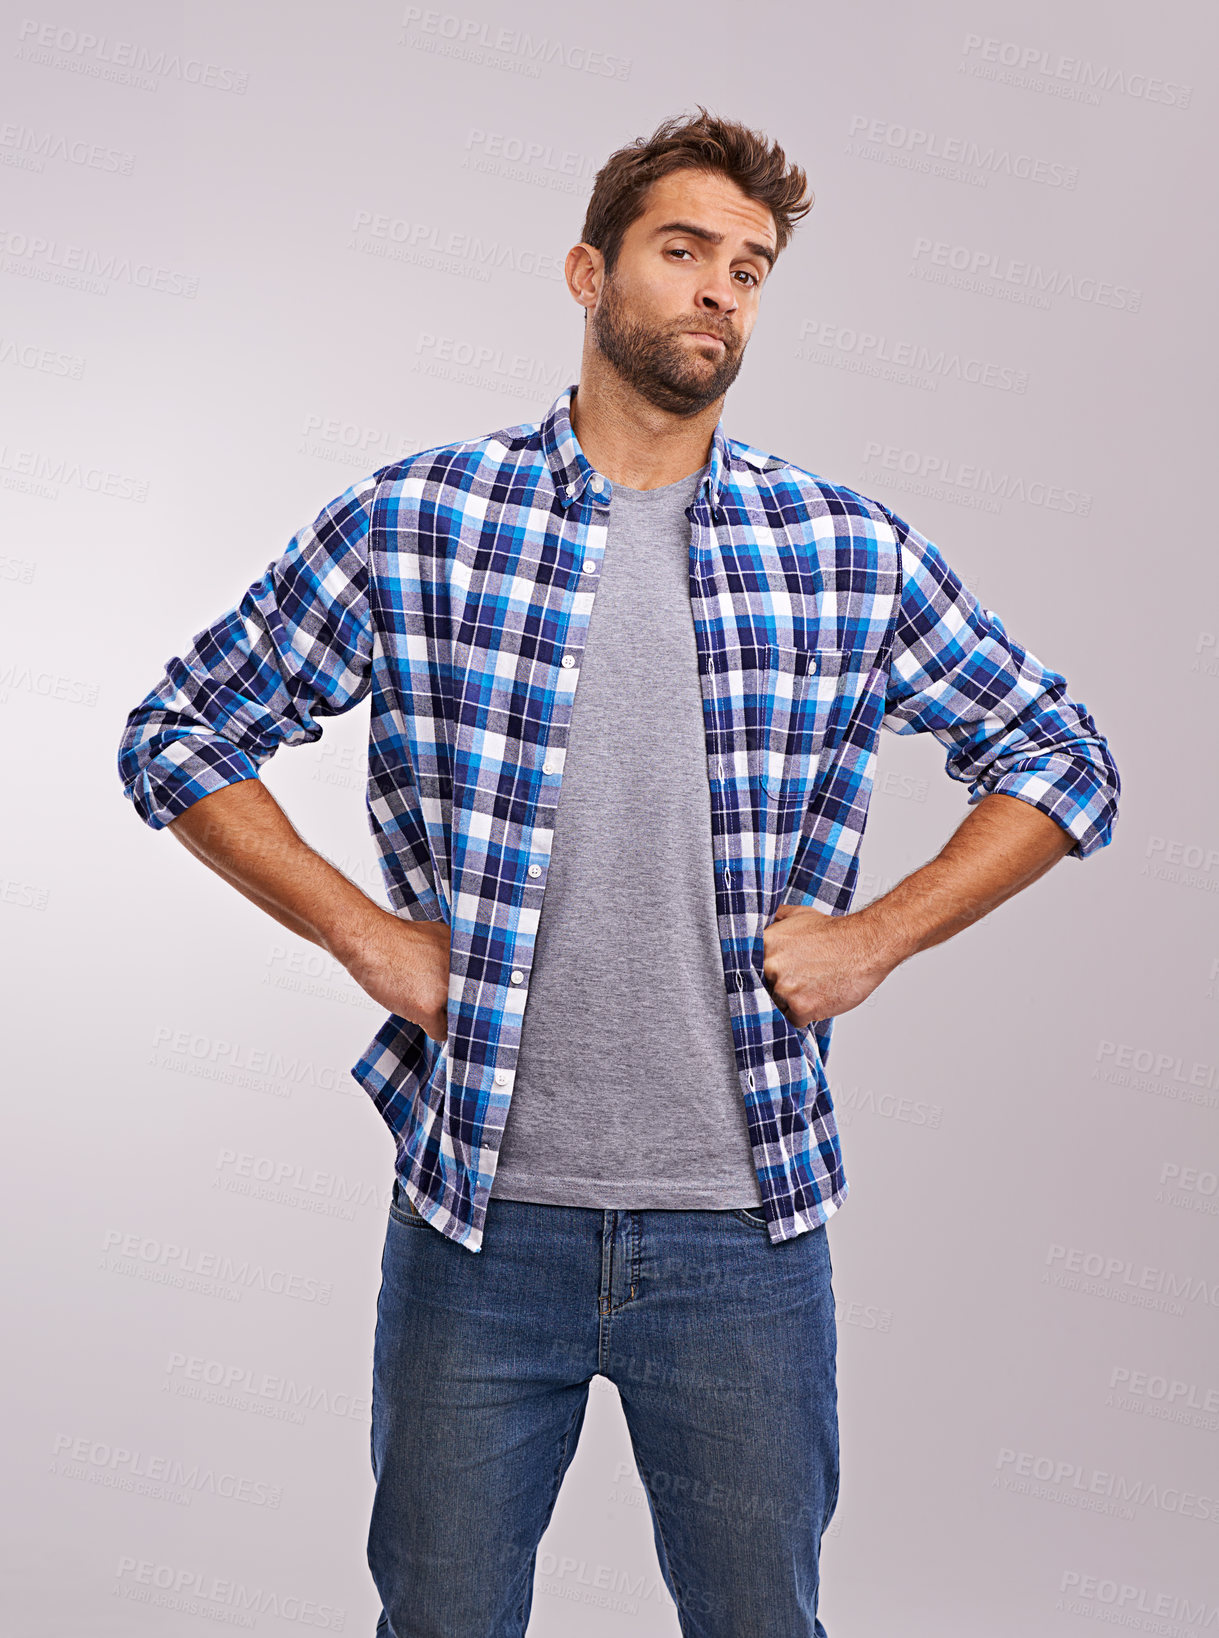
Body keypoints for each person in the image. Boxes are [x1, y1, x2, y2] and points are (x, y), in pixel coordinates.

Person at [117, 108, 1120, 1638]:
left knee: (761, 1623)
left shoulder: (842, 548)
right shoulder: (423, 520)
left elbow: (1063, 757)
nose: (721, 288)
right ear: (589, 273)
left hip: (743, 1232)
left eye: (751, 267)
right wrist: (362, 936)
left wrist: (878, 939)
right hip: (477, 1216)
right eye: (683, 250)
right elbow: (181, 730)